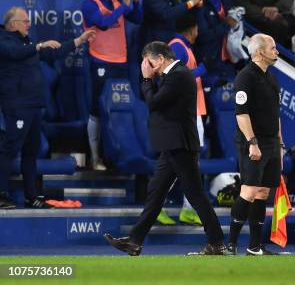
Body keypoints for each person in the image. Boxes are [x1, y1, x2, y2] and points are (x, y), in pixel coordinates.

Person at [104, 41, 230, 256]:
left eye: (149, 62)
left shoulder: (179, 75)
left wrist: (146, 78)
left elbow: (153, 102)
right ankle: (135, 241)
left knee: (195, 195)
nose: (148, 67)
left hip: (179, 145)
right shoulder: (173, 76)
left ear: (160, 59)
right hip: (171, 145)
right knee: (155, 194)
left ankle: (217, 243)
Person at [0, 7, 95, 209]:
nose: (29, 24)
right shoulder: (5, 41)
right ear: (13, 24)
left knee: (31, 153)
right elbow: (15, 53)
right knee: (9, 150)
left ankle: (31, 196)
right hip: (17, 106)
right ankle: (1, 194)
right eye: (25, 21)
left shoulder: (28, 43)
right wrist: (39, 45)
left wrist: (78, 41)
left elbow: (54, 52)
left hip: (34, 106)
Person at [81, 0, 145, 171]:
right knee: (97, 109)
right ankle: (94, 157)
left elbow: (137, 18)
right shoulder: (89, 3)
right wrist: (125, 7)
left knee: (121, 109)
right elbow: (103, 23)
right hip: (100, 62)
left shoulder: (117, 0)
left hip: (121, 62)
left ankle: (116, 155)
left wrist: (136, 2)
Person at [228, 33, 284, 256]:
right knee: (249, 190)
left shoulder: (271, 77)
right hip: (253, 142)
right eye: (272, 47)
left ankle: (254, 246)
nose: (276, 51)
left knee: (262, 192)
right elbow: (241, 115)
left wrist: (280, 143)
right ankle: (230, 243)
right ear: (260, 52)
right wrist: (252, 143)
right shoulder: (245, 77)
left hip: (271, 142)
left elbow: (276, 114)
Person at [163, 14, 208, 226]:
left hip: (193, 111)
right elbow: (172, 76)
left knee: (190, 164)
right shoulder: (177, 46)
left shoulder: (183, 46)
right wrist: (202, 70)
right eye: (197, 27)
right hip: (186, 114)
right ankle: (158, 206)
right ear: (191, 28)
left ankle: (188, 209)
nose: (198, 31)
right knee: (181, 163)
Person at [195, 0, 239, 75]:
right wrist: (227, 25)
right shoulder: (200, 6)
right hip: (209, 62)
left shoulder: (225, 2)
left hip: (228, 61)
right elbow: (203, 36)